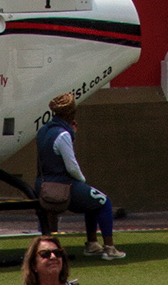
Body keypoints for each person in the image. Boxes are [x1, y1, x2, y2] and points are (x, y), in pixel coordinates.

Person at [33, 94, 126, 262]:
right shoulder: (63, 134)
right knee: (104, 202)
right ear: (70, 113)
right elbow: (71, 165)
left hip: (43, 184)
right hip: (62, 185)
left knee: (92, 204)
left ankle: (92, 244)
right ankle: (109, 248)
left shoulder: (43, 131)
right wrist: (81, 180)